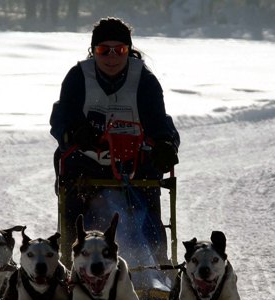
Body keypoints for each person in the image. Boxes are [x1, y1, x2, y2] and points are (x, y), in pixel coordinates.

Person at [50, 16, 180, 270]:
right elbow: (61, 118)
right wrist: (75, 132)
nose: (111, 57)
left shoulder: (145, 81)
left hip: (135, 164)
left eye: (119, 50)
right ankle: (70, 266)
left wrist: (165, 144)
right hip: (86, 163)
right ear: (93, 51)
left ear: (128, 50)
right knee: (74, 214)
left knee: (148, 214)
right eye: (103, 50)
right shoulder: (78, 77)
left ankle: (158, 270)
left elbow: (158, 122)